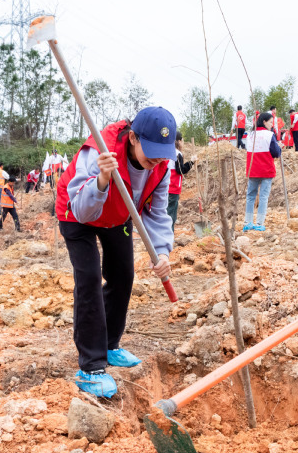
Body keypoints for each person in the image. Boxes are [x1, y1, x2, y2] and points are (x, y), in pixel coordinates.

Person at [56, 106, 175, 398]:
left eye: (163, 153)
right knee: (89, 279)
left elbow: (157, 213)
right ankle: (91, 366)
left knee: (123, 275)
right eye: (152, 152)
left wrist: (162, 253)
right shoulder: (99, 150)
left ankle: (109, 345)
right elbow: (82, 211)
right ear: (133, 138)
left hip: (117, 215)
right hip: (78, 211)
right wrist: (102, 180)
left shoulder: (162, 167)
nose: (157, 160)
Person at [244, 112, 281, 232]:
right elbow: (276, 153)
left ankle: (248, 222)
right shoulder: (269, 135)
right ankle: (259, 223)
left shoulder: (250, 134)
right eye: (270, 122)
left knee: (250, 196)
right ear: (264, 122)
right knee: (263, 197)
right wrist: (279, 147)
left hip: (253, 169)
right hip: (266, 169)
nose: (271, 125)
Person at [167, 131, 197, 231]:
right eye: (182, 141)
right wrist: (191, 162)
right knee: (171, 214)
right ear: (179, 141)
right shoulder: (177, 153)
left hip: (165, 187)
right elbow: (180, 170)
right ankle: (168, 235)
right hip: (173, 187)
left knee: (166, 212)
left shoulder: (167, 152)